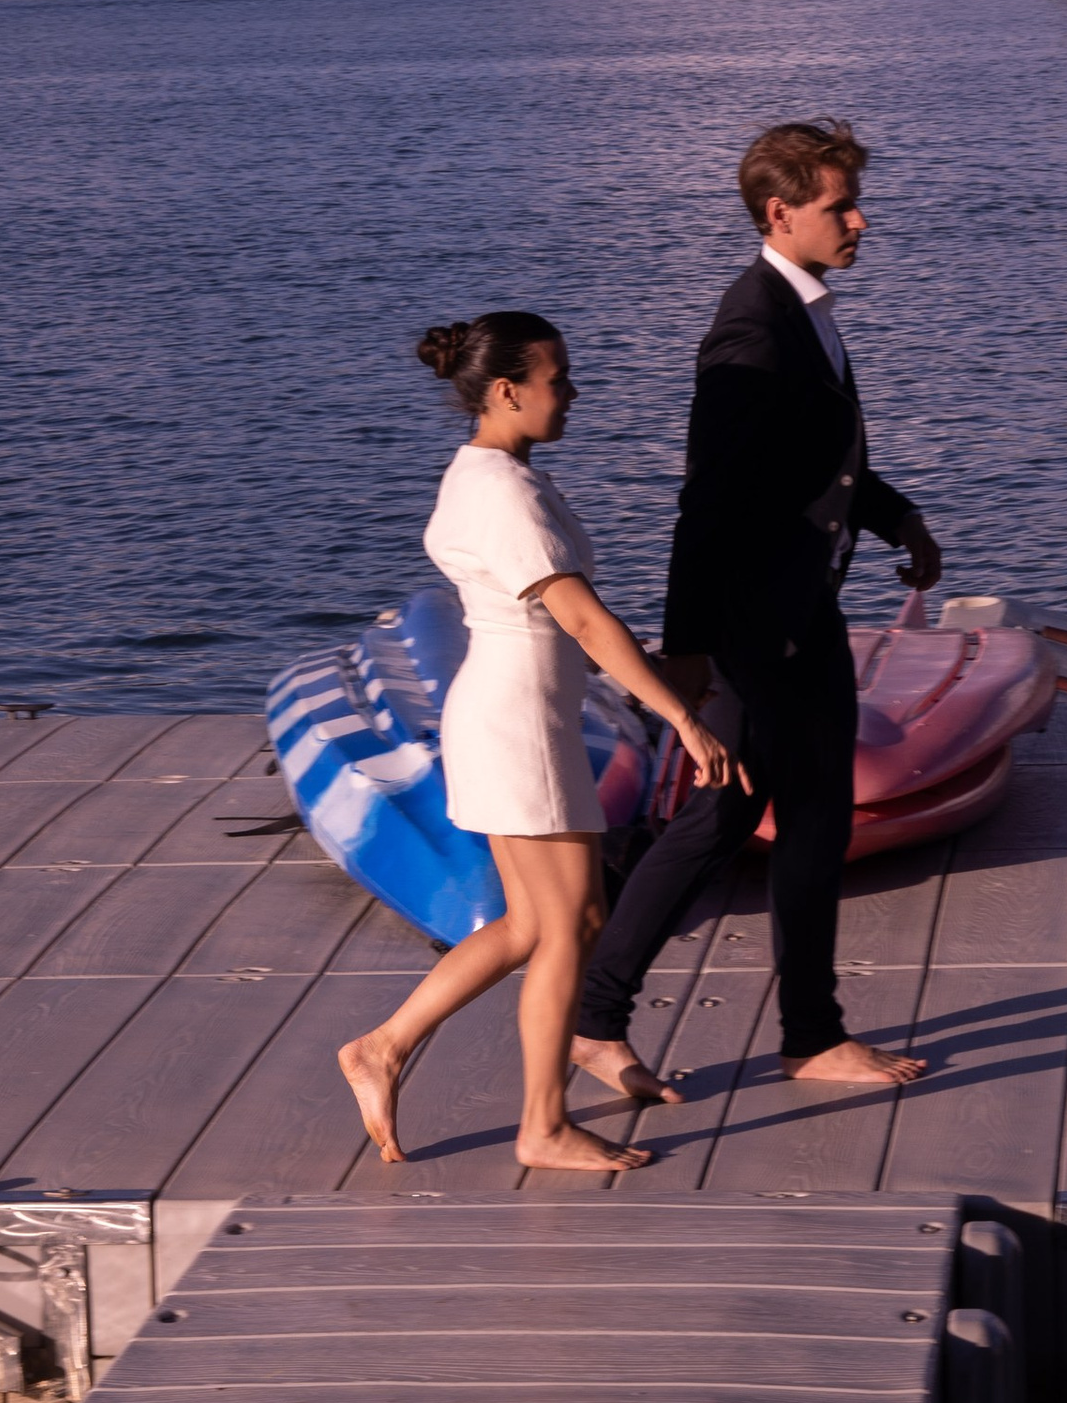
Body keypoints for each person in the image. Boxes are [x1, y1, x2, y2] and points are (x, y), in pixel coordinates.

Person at [569, 119, 940, 1100]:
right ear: (781, 213)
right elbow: (709, 498)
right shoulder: (750, 326)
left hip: (801, 609)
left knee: (808, 817)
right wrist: (688, 648)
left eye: (856, 200)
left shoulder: (803, 306)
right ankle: (599, 1020)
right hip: (751, 628)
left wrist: (900, 522)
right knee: (722, 816)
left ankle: (809, 1036)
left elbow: (815, 463)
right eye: (838, 206)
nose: (860, 220)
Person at [338, 310, 742, 1171]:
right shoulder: (504, 494)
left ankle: (383, 1047)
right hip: (518, 724)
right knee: (563, 929)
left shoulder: (492, 473)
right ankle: (543, 1127)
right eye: (559, 378)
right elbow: (585, 622)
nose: (575, 391)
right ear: (508, 390)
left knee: (548, 921)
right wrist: (679, 714)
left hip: (521, 714)